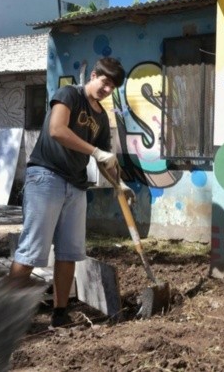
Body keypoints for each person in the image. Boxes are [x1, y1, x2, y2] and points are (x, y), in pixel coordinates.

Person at [9, 57, 132, 328]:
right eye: (105, 82)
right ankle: (5, 319)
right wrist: (95, 151)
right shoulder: (69, 94)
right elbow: (57, 130)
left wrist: (118, 183)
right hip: (46, 177)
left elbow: (105, 159)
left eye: (113, 87)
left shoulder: (101, 117)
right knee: (31, 251)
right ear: (94, 75)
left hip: (76, 186)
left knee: (69, 253)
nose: (107, 90)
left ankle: (60, 315)